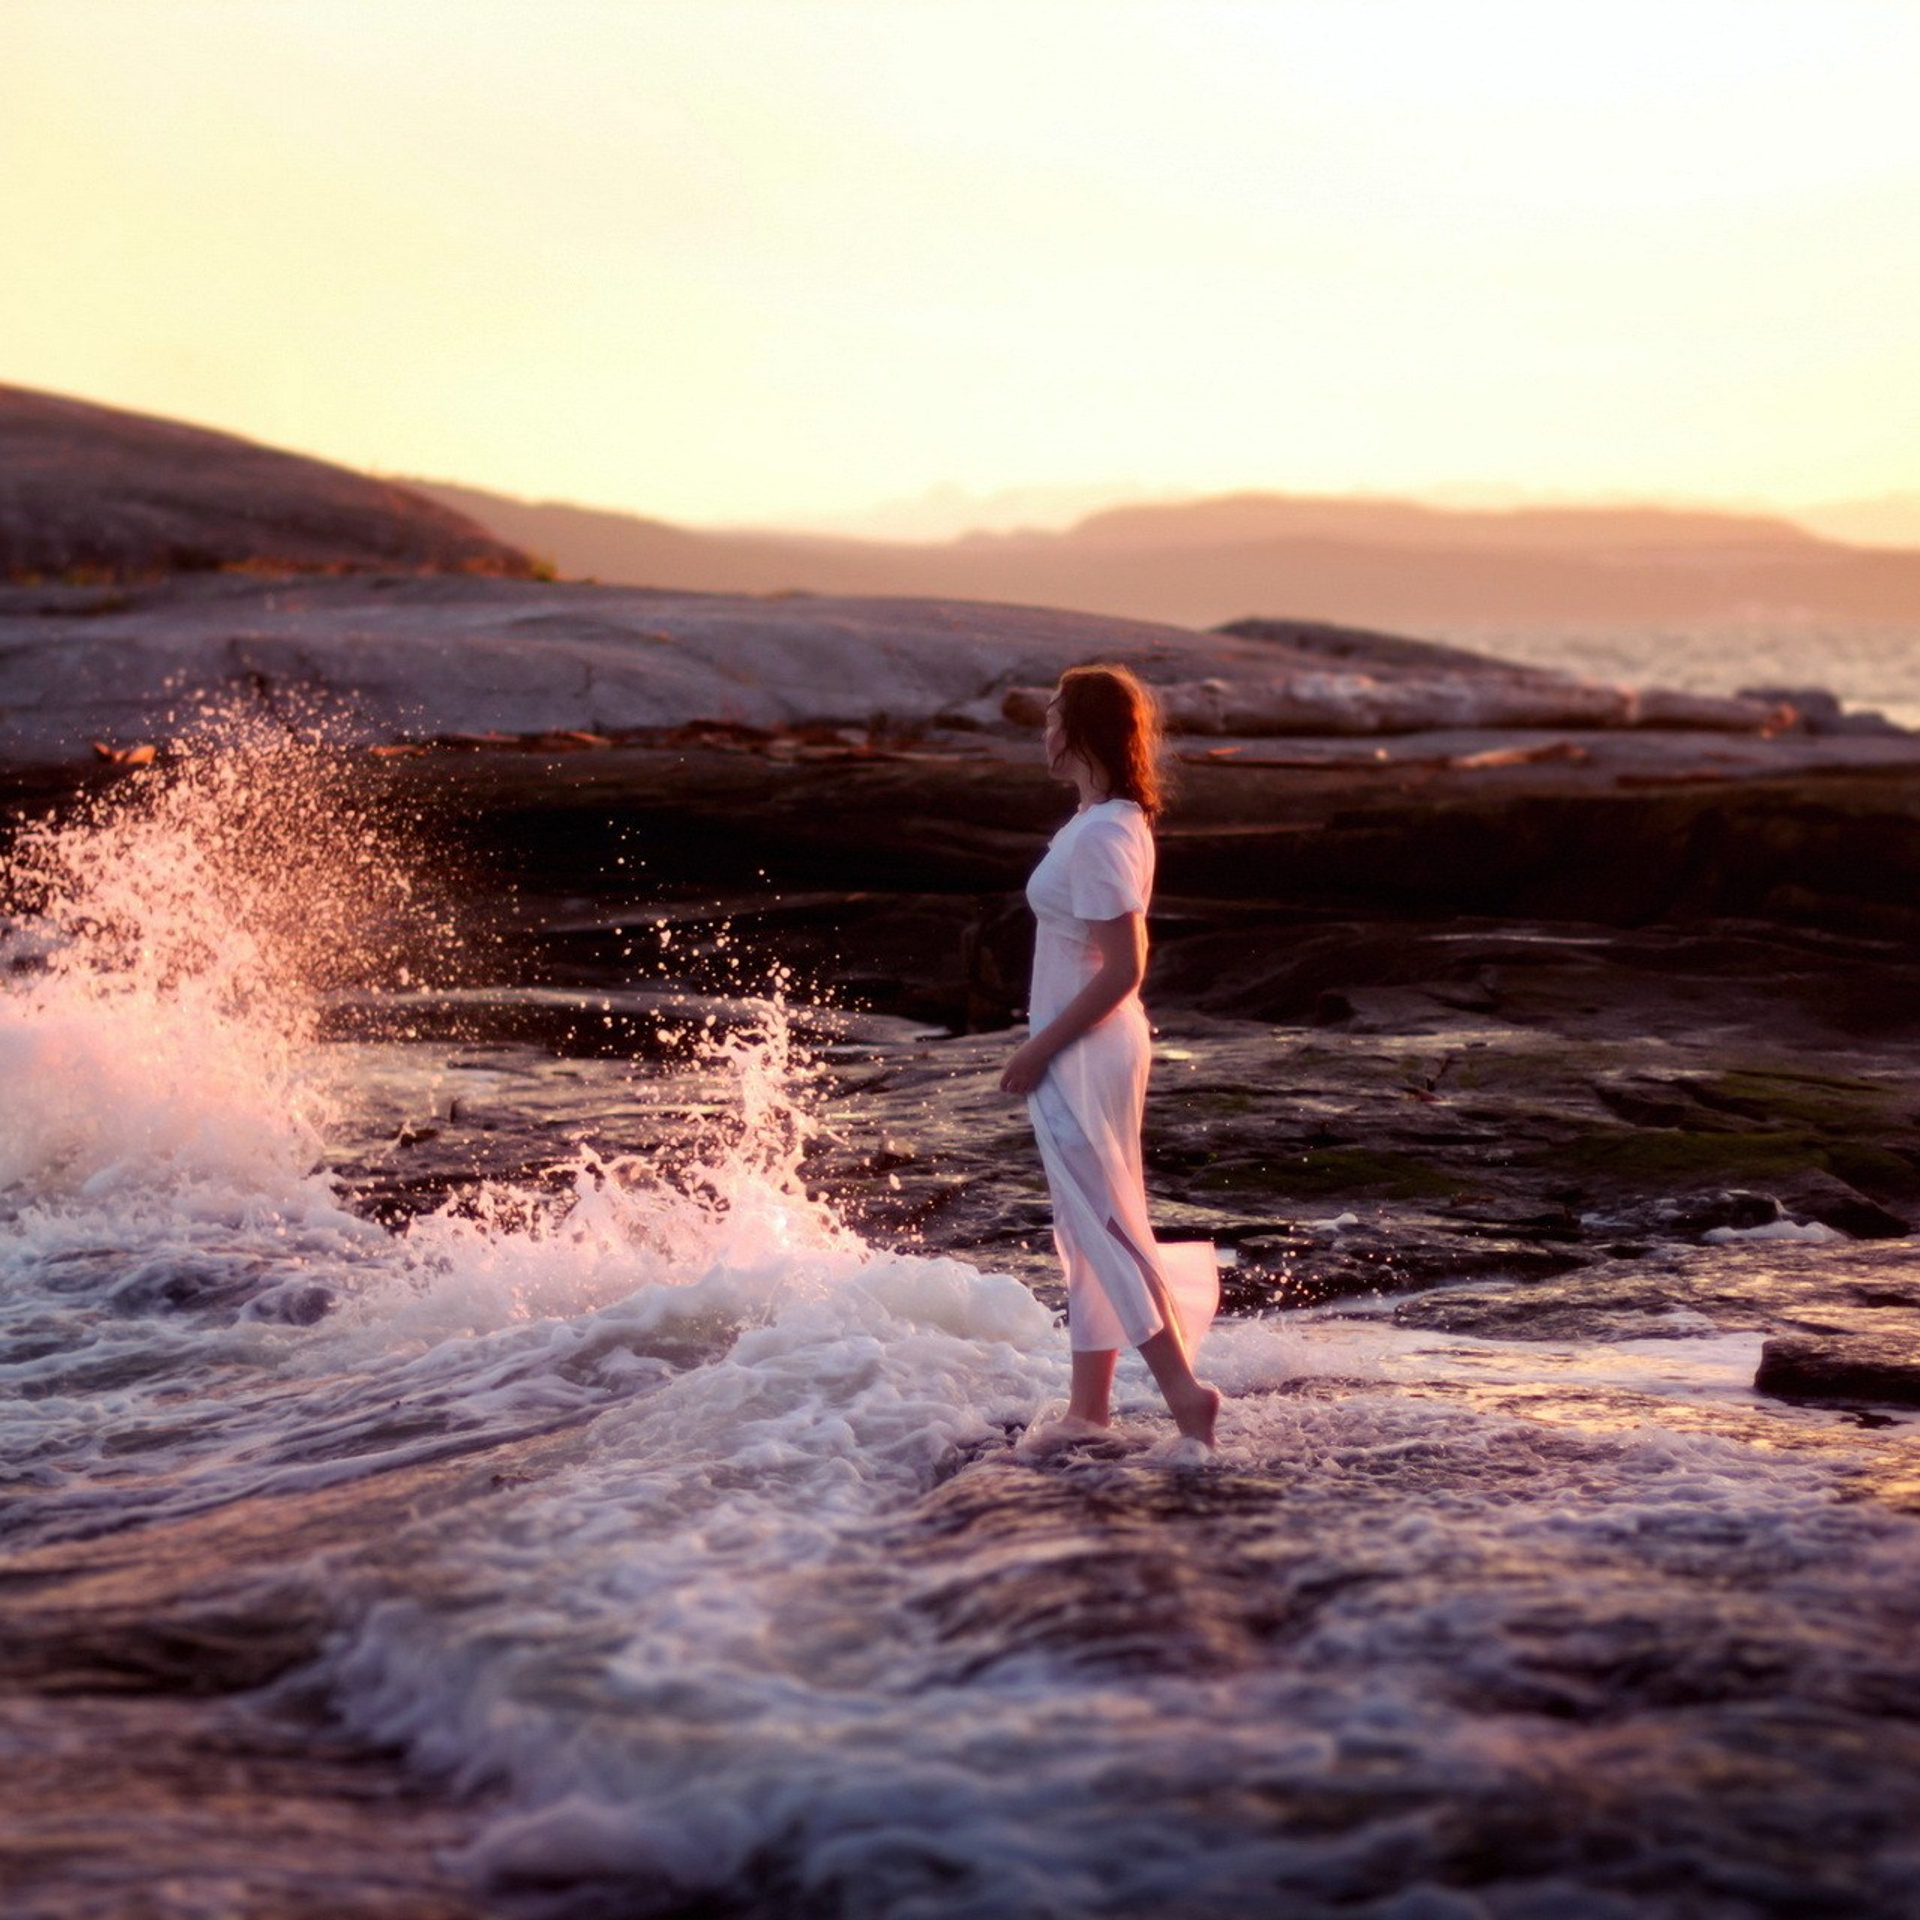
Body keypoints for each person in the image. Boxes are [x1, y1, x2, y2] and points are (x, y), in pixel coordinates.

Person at [999, 664, 1222, 1451]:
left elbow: (1126, 967)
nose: (1043, 726)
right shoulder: (1097, 819)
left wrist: (1039, 1048)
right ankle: (1087, 1411)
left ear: (1082, 728)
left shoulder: (1102, 833)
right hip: (1089, 1045)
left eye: (1053, 713)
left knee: (1104, 1222)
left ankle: (1186, 1396)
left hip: (1085, 1050)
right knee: (1084, 1223)